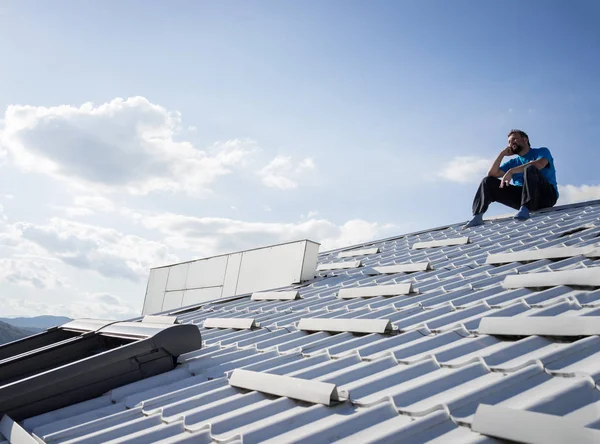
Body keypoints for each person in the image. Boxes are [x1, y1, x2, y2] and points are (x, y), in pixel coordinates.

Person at [465, 129, 558, 228]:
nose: (511, 143)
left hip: (545, 196)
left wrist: (512, 171)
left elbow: (539, 164)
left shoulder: (542, 151)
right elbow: (492, 174)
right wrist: (502, 154)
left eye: (514, 139)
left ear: (525, 139)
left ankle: (525, 208)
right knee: (487, 181)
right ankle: (477, 217)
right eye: (509, 142)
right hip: (522, 197)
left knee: (531, 168)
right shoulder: (513, 162)